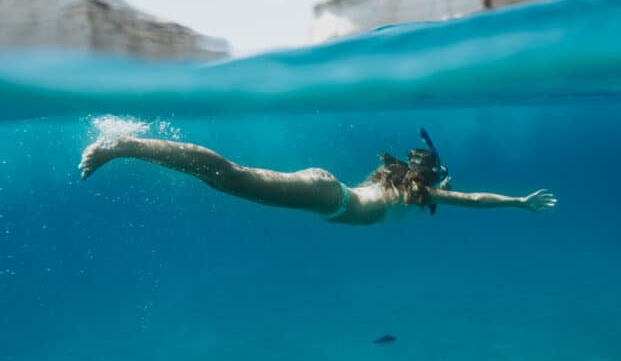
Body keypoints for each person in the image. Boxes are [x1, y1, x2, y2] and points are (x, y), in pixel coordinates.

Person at [79, 127, 556, 226]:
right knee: (230, 176)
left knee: (226, 180)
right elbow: (472, 200)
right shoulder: (420, 192)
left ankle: (129, 148)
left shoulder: (398, 183)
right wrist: (518, 203)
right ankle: (125, 144)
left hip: (329, 191)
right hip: (330, 197)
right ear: (433, 177)